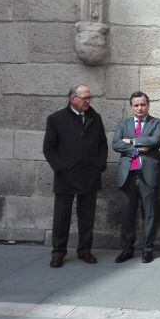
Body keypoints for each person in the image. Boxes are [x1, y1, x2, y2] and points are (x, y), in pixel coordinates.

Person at [43, 84, 107, 268]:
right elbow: (49, 148)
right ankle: (58, 252)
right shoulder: (56, 119)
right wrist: (60, 168)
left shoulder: (95, 117)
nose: (88, 101)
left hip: (89, 175)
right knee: (61, 216)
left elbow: (102, 144)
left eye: (89, 98)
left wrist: (99, 165)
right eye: (85, 98)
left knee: (87, 216)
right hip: (66, 176)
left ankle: (85, 250)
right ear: (73, 99)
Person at [112, 91, 160, 264]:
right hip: (127, 175)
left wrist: (131, 141)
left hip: (148, 175)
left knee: (149, 214)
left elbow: (155, 140)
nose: (140, 108)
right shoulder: (123, 123)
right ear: (131, 106)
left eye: (143, 104)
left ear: (148, 105)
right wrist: (137, 149)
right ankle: (127, 249)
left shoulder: (157, 123)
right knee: (127, 214)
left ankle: (147, 250)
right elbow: (115, 144)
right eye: (136, 105)